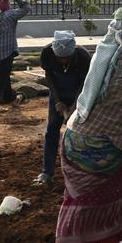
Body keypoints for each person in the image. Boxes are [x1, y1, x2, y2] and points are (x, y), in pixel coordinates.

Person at [47, 8, 122, 243]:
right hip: (99, 145)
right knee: (85, 201)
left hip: (87, 137)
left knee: (118, 193)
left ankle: (110, 240)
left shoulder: (106, 53)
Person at [35, 31, 91, 186]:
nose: (63, 60)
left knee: (81, 132)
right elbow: (49, 77)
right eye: (60, 58)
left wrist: (75, 105)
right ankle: (47, 172)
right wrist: (58, 101)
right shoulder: (47, 53)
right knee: (52, 130)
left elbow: (85, 83)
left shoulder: (84, 56)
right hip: (58, 93)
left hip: (79, 95)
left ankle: (83, 171)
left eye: (67, 57)